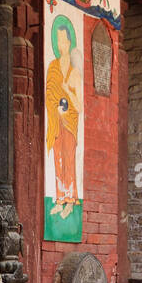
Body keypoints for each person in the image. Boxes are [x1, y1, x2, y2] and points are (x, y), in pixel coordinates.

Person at [45, 15, 83, 219]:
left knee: (69, 160)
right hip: (55, 121)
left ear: (70, 42)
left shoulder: (74, 73)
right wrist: (55, 109)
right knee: (58, 160)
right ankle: (60, 200)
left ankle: (70, 201)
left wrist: (68, 90)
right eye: (58, 41)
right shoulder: (52, 67)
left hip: (69, 123)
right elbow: (49, 94)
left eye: (64, 40)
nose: (61, 45)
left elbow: (79, 106)